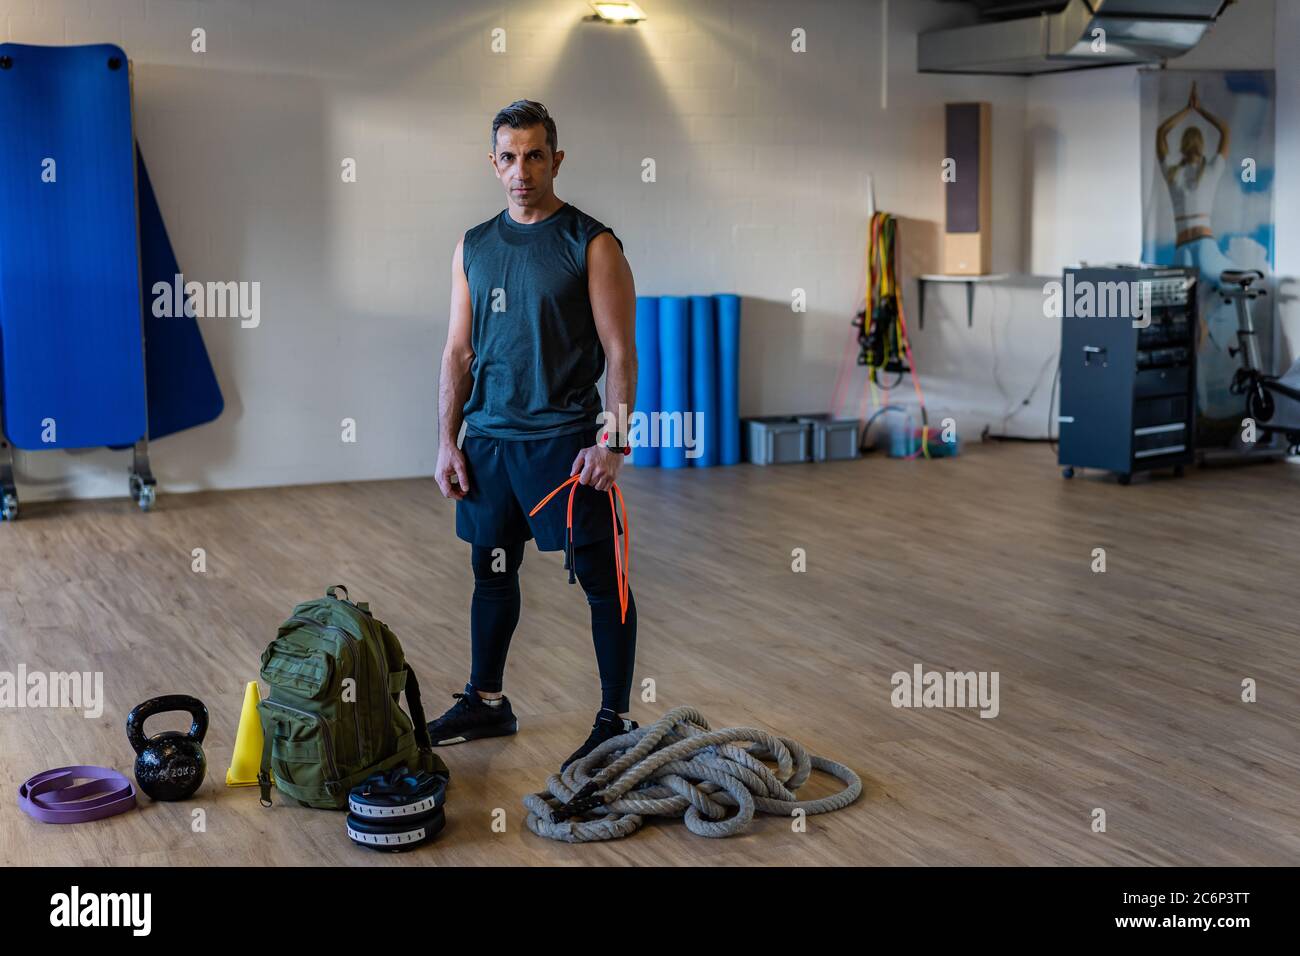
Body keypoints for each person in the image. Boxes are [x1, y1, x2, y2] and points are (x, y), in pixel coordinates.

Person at [429, 100, 640, 769]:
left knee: (602, 579)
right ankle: (487, 702)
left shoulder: (591, 242)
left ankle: (616, 719)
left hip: (565, 442)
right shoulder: (474, 245)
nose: (522, 170)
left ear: (557, 159)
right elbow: (458, 351)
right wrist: (446, 438)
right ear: (493, 163)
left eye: (535, 155)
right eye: (509, 157)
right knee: (491, 575)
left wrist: (613, 439)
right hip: (488, 440)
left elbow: (620, 351)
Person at [1157, 80, 1236, 285]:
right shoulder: (1211, 169)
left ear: (1182, 145)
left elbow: (1161, 132)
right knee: (1237, 281)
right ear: (1202, 145)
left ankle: (1200, 318)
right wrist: (1199, 110)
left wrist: (1186, 110)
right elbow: (1225, 130)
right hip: (1204, 247)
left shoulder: (1173, 173)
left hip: (1182, 248)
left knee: (1190, 309)